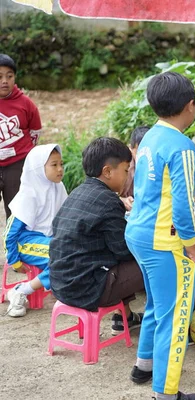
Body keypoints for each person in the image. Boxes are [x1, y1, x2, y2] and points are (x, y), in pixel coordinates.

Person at [124, 72, 195, 400]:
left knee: (158, 303)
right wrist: (192, 245)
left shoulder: (149, 139)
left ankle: (143, 366)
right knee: (176, 316)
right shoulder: (182, 146)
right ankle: (166, 394)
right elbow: (184, 205)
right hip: (165, 241)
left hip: (138, 234)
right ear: (189, 106)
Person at [49, 137, 145, 335]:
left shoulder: (78, 192)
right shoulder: (109, 201)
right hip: (86, 288)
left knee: (111, 260)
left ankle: (124, 318)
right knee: (154, 261)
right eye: (126, 170)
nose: (128, 176)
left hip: (60, 282)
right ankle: (160, 320)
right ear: (108, 171)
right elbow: (124, 250)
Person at [3, 144, 67, 317]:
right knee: (63, 256)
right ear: (38, 168)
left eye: (61, 163)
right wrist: (14, 261)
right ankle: (20, 291)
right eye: (54, 165)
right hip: (25, 242)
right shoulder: (29, 194)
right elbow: (9, 233)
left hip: (48, 241)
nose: (60, 169)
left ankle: (55, 287)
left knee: (73, 252)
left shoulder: (58, 187)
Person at [120, 125, 195, 212]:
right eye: (139, 152)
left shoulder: (161, 162)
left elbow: (176, 188)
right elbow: (107, 193)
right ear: (130, 149)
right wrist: (123, 200)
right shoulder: (125, 167)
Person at [0, 54, 43, 221]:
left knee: (17, 210)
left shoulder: (26, 104)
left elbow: (35, 132)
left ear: (15, 77)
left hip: (17, 165)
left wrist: (22, 155)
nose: (4, 81)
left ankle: (14, 245)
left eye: (9, 76)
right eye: (0, 77)